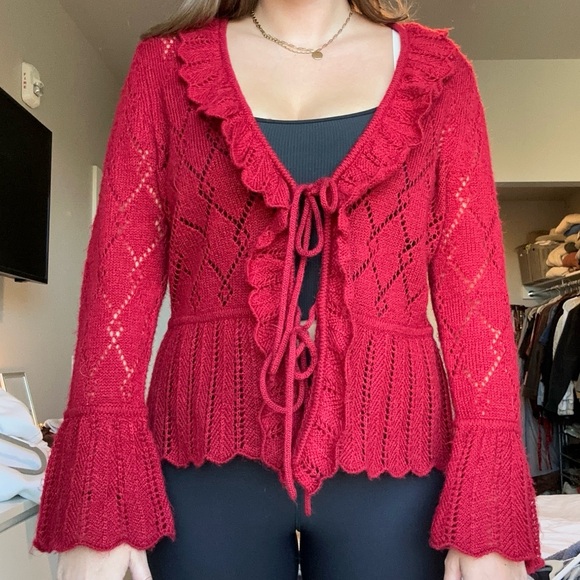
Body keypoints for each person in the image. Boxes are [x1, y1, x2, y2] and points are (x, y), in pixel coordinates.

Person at [33, 0, 543, 578]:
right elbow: (117, 278)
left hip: (394, 462)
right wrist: (99, 499)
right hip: (201, 460)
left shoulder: (441, 74)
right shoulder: (165, 67)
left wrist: (489, 512)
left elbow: (475, 297)